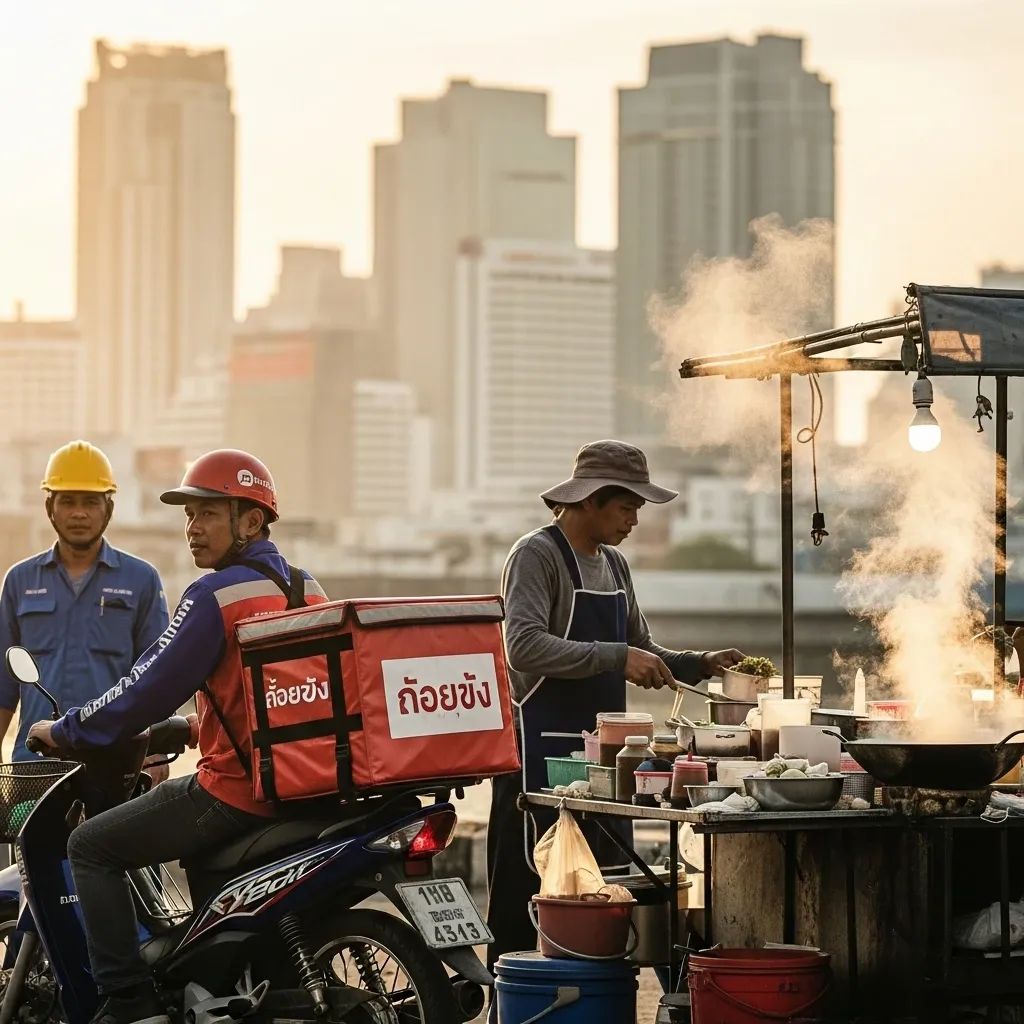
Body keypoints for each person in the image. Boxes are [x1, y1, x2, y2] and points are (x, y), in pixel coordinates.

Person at [27, 449, 329, 1024]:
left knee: (90, 845)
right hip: (298, 785)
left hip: (237, 792)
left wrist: (67, 730)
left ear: (251, 520)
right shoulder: (305, 588)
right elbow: (287, 697)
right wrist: (195, 727)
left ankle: (128, 1000)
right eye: (189, 516)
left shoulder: (216, 596)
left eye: (209, 515)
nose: (193, 530)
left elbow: (142, 689)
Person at [485, 439, 744, 979]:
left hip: (604, 769)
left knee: (608, 901)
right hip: (538, 766)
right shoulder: (536, 555)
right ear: (592, 500)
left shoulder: (616, 566)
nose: (633, 521)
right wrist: (616, 657)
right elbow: (523, 646)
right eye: (627, 508)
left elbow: (642, 649)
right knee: (526, 908)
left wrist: (701, 662)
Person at [0, 440, 169, 767]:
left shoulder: (141, 580)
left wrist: (157, 753)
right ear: (50, 507)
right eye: (68, 501)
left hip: (115, 766)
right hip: (35, 765)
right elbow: (3, 684)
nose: (79, 513)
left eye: (91, 502)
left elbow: (157, 677)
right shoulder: (19, 581)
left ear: (108, 508)